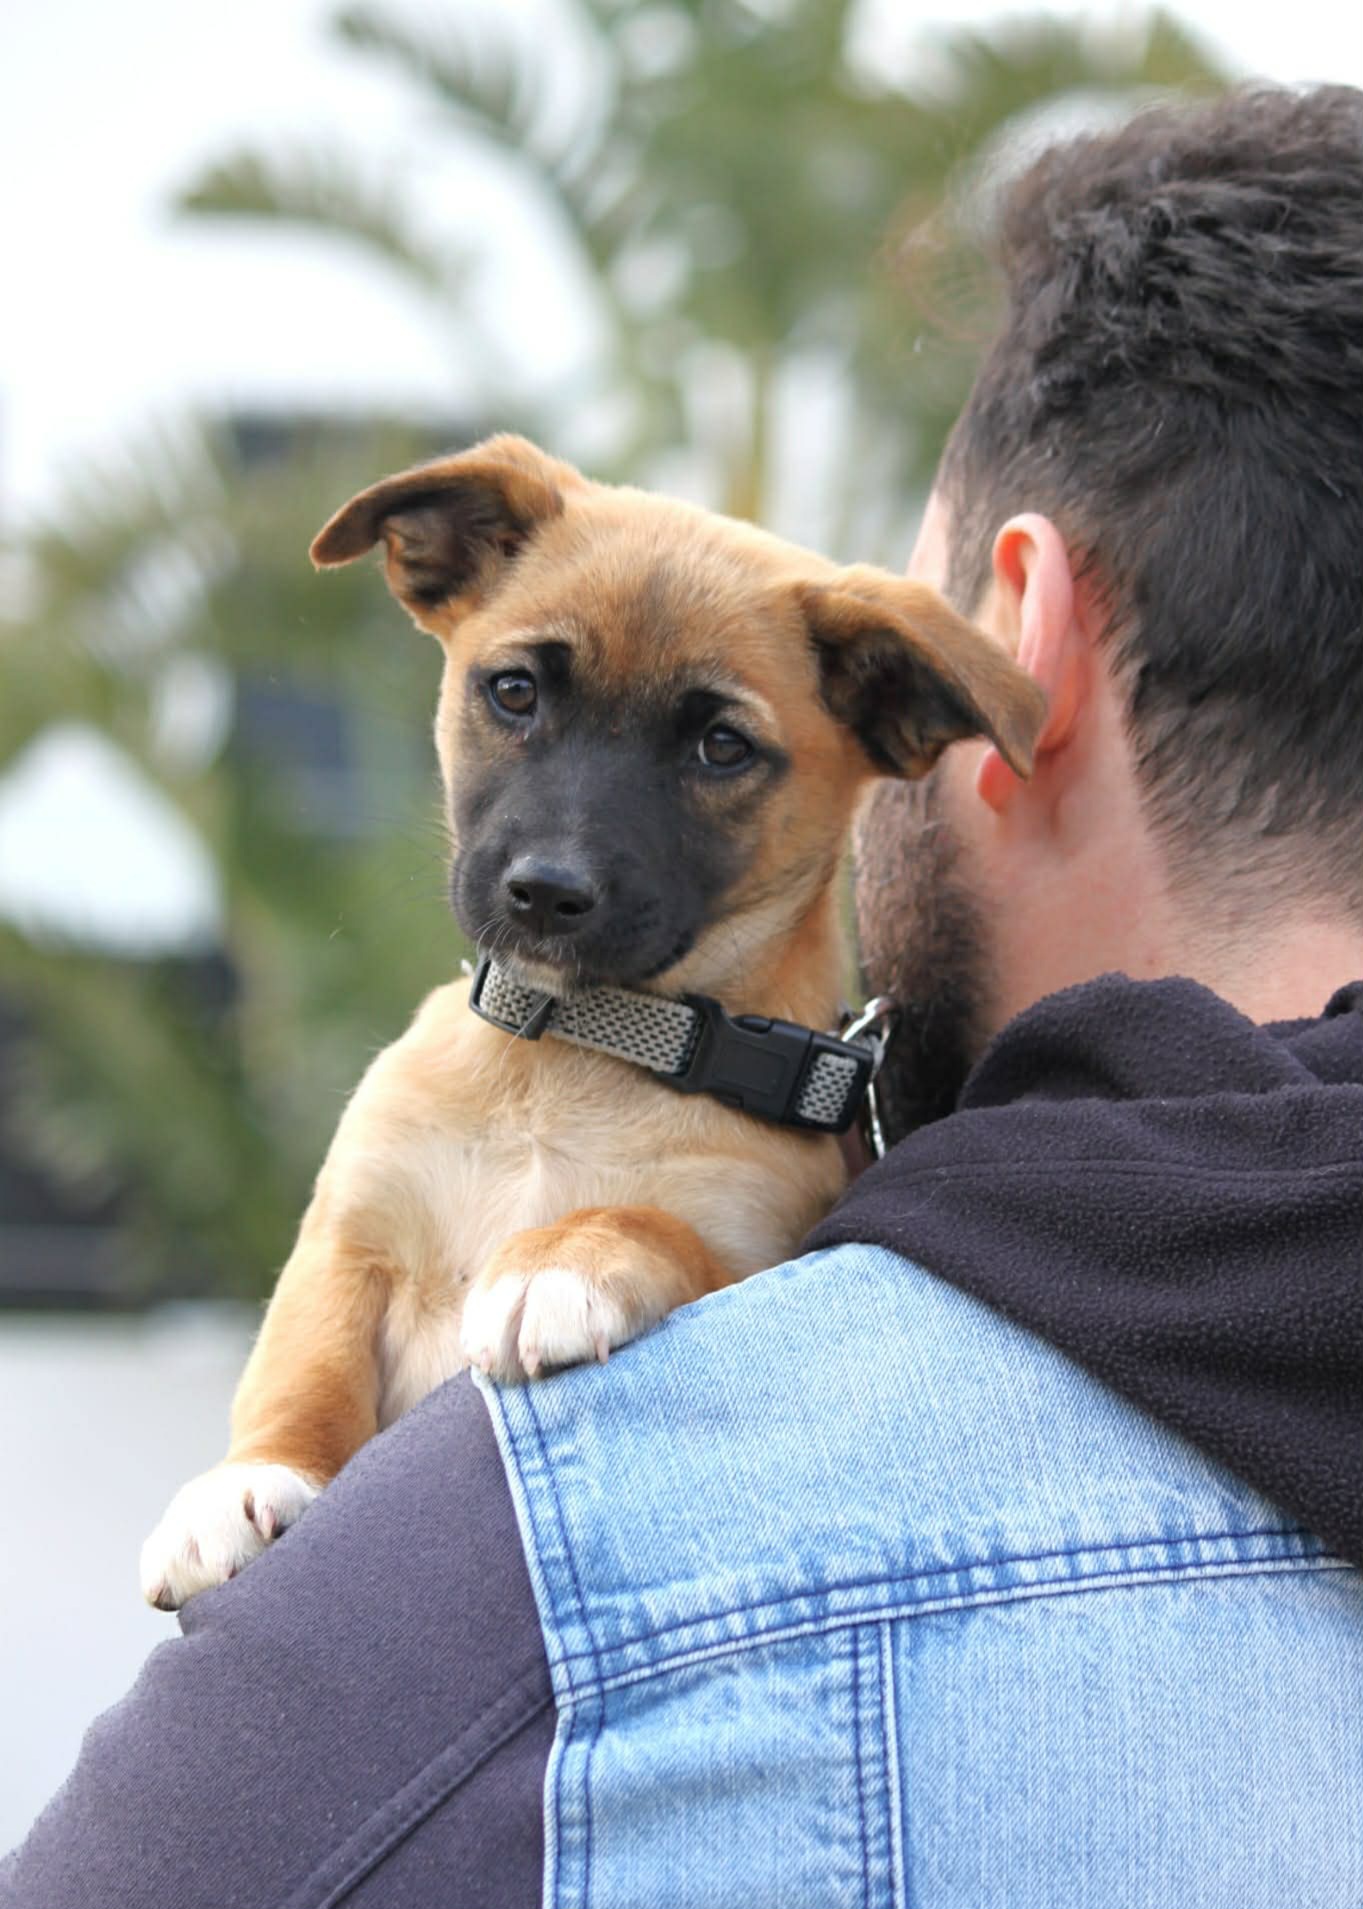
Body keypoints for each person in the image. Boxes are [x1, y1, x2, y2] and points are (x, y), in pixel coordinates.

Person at [5, 81, 1363, 1908]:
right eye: (518, 698)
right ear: (436, 587)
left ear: (974, 672)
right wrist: (281, 1455)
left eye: (716, 749)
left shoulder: (647, 1504)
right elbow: (353, 1268)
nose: (563, 849)